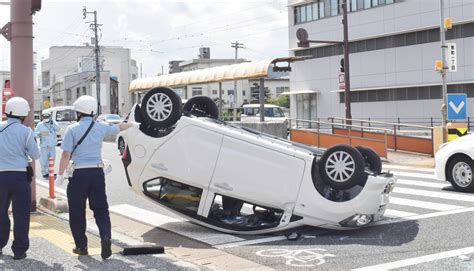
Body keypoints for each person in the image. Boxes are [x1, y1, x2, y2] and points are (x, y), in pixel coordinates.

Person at [56, 95, 132, 260]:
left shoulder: (72, 129)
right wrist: (134, 124)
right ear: (92, 112)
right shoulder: (101, 127)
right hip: (97, 174)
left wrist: (60, 175)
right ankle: (105, 237)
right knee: (101, 209)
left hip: (78, 174)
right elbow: (119, 127)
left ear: (79, 112)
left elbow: (65, 155)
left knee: (77, 211)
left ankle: (82, 246)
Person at [0, 97, 40, 260]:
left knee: (0, 213)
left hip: (0, 176)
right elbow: (35, 155)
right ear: (23, 113)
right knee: (21, 214)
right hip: (19, 177)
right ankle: (19, 250)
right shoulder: (26, 131)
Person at [35, 112, 60, 179]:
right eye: (44, 117)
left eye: (47, 117)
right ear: (42, 117)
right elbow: (35, 133)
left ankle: (50, 172)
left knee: (52, 159)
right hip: (44, 145)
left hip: (52, 145)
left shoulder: (53, 123)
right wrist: (43, 134)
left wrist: (53, 123)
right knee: (43, 160)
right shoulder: (40, 124)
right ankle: (45, 173)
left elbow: (58, 129)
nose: (46, 118)